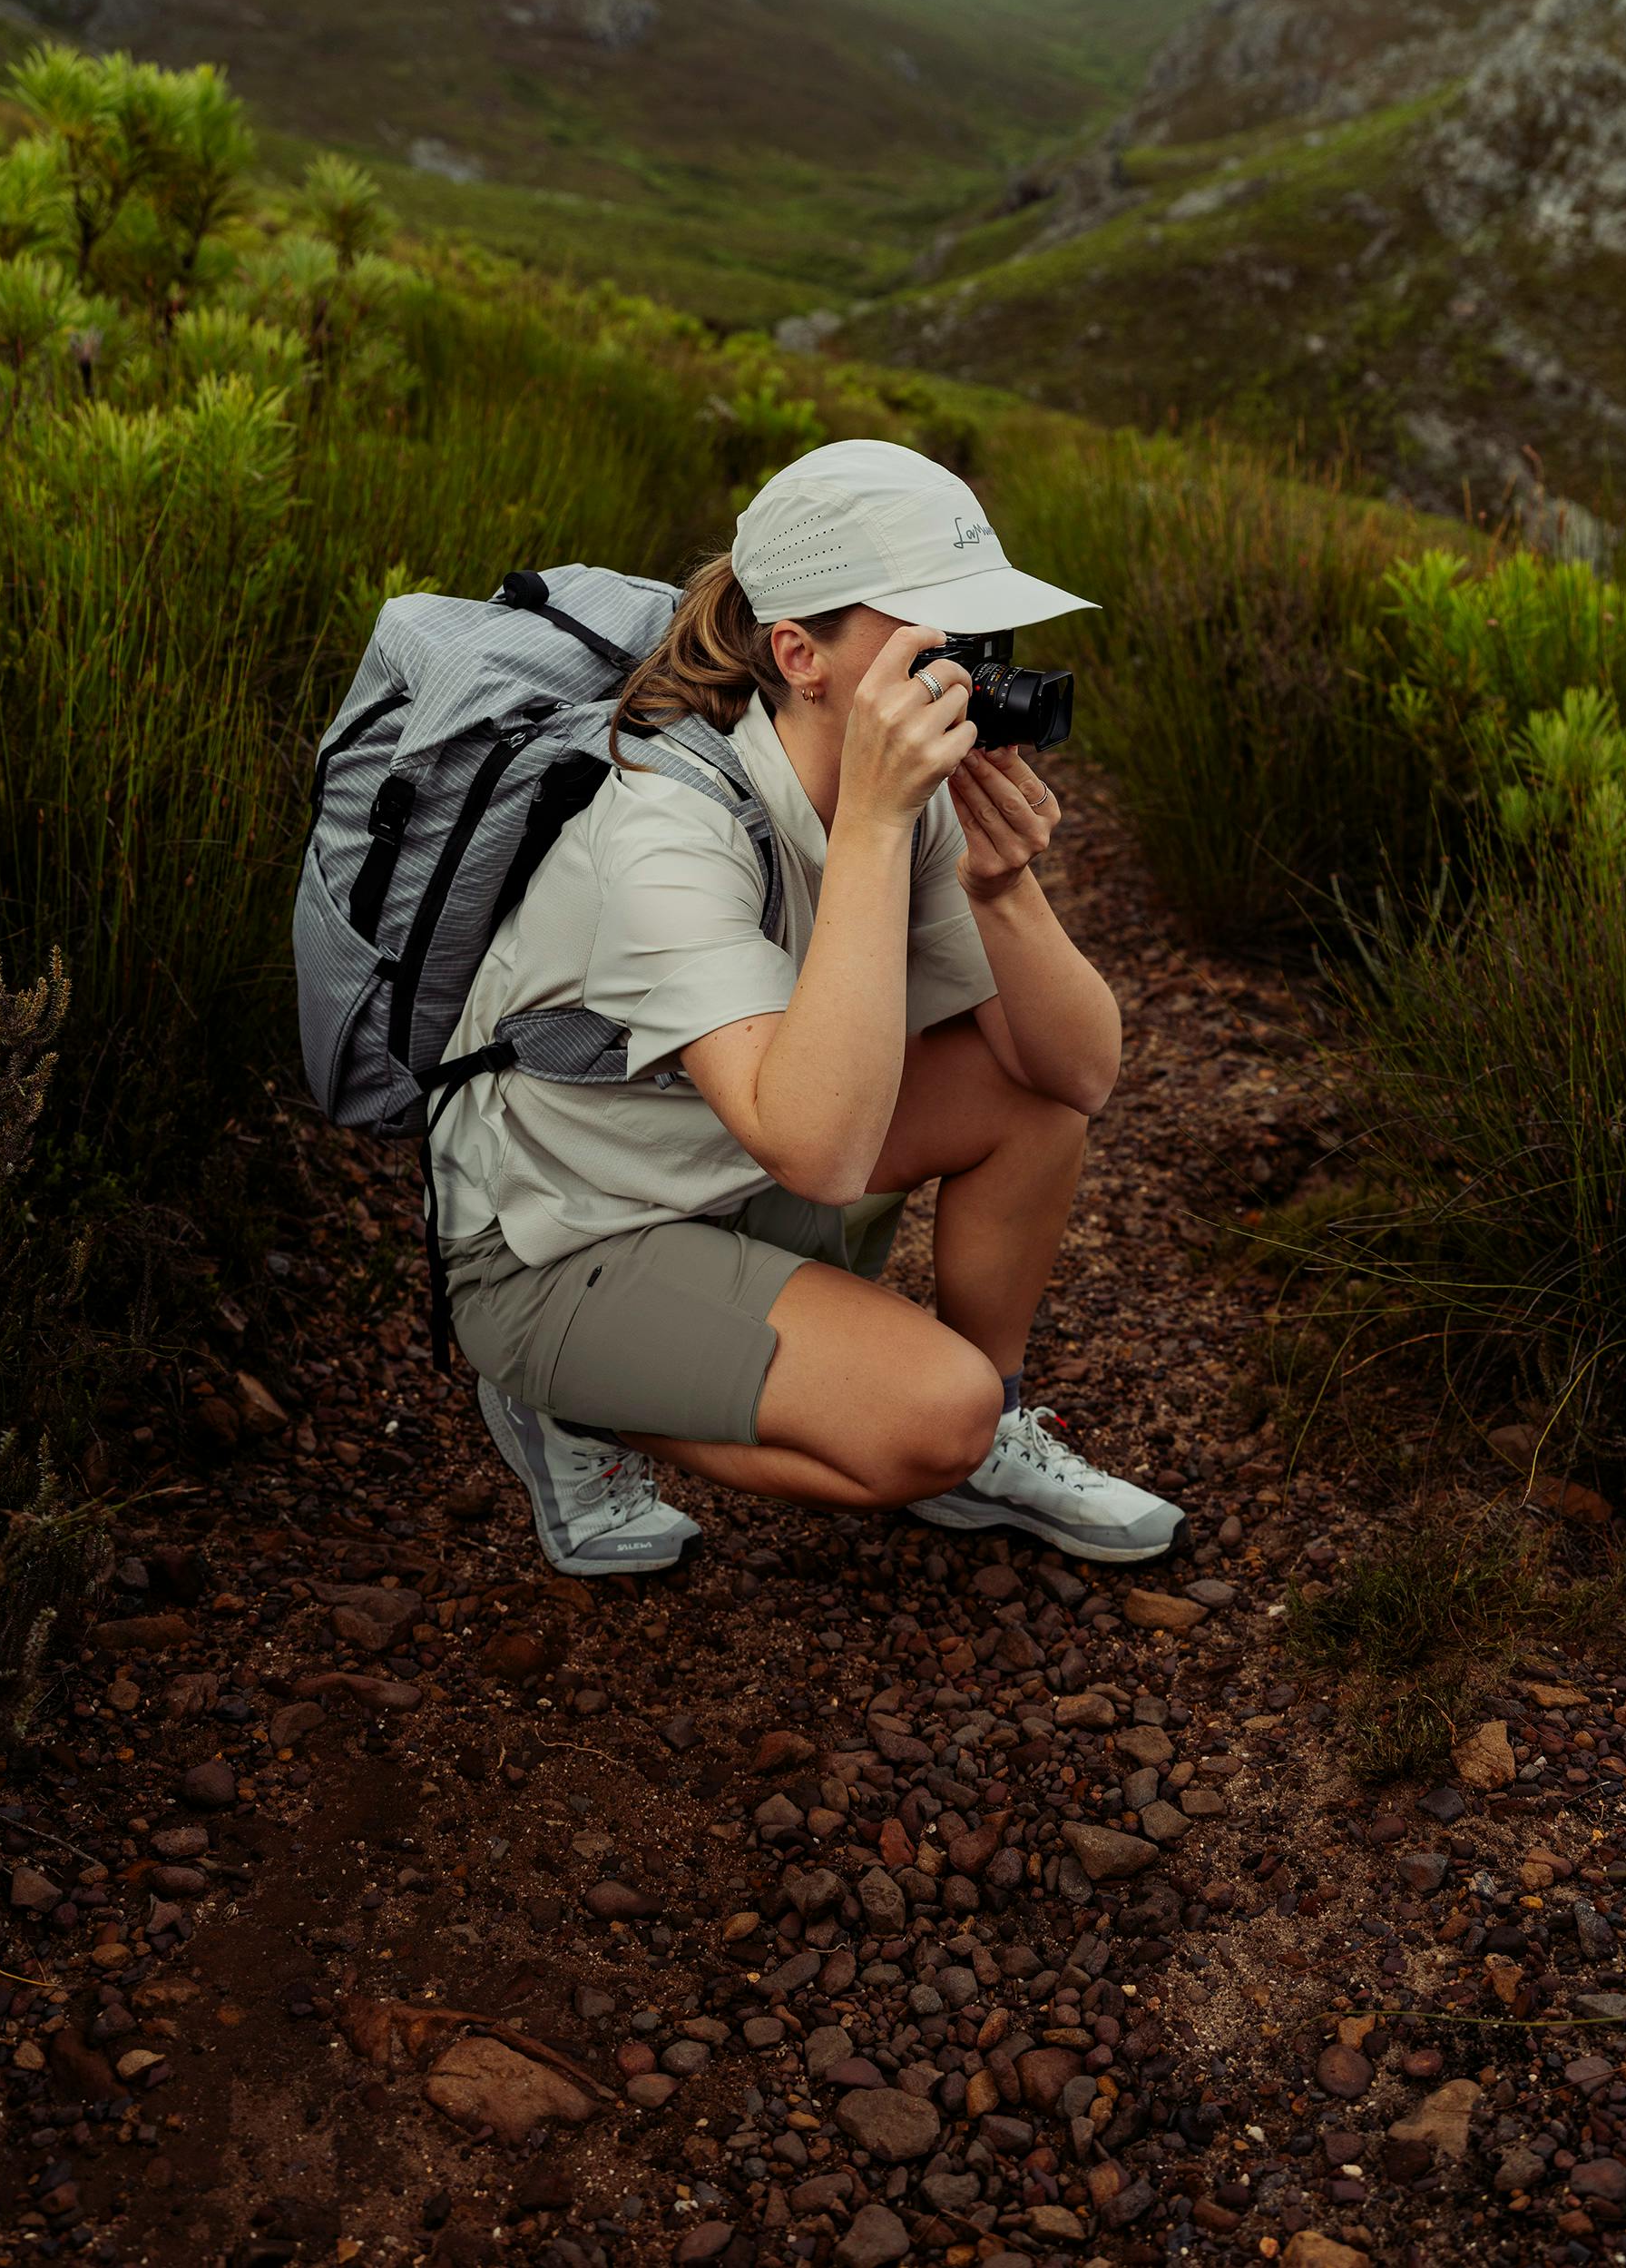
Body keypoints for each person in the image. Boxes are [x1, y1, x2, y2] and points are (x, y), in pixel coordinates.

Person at [429, 438, 1185, 1575]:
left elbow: (1079, 1076)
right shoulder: (663, 826)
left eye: (982, 637)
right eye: (936, 637)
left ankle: (994, 1434)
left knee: (1028, 1104)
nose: (966, 671)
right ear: (801, 654)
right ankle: (568, 1404)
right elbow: (822, 1155)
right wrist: (880, 830)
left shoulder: (891, 791)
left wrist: (1001, 885)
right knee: (931, 1413)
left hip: (716, 1166)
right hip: (562, 1237)